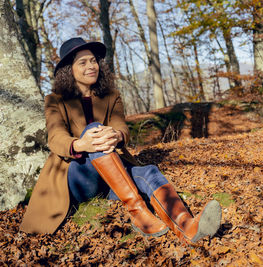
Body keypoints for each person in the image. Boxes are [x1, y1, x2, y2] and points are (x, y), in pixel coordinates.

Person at [20, 37, 221, 243]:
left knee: (149, 171)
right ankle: (138, 212)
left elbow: (121, 127)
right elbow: (55, 137)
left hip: (112, 177)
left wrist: (116, 135)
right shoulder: (55, 100)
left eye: (93, 61)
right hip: (78, 176)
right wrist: (82, 144)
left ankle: (187, 227)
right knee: (94, 130)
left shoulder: (111, 96)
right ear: (69, 70)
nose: (91, 66)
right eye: (83, 62)